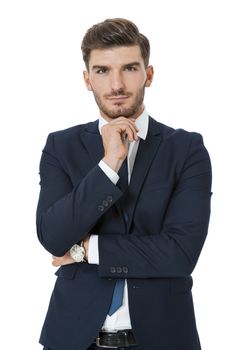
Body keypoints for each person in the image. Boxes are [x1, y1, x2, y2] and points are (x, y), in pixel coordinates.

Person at [36, 18, 212, 350]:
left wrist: (86, 250)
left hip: (164, 339)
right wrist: (109, 165)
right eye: (102, 71)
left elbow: (180, 254)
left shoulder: (186, 149)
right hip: (73, 339)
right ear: (87, 80)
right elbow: (53, 236)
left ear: (149, 74)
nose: (116, 84)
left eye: (129, 68)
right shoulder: (62, 146)